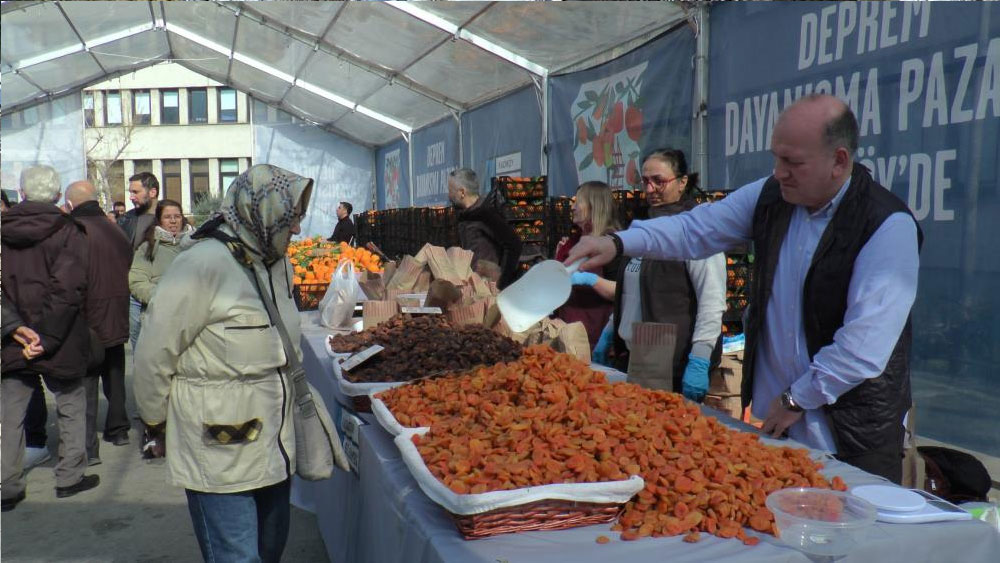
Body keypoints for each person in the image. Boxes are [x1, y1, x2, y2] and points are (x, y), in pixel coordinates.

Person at [567, 94, 921, 483]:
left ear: (839, 161)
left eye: (793, 162)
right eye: (776, 158)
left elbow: (864, 347)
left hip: (851, 438)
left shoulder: (886, 226)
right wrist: (617, 243)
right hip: (780, 426)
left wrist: (796, 398)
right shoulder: (773, 195)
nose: (780, 172)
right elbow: (695, 228)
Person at [134, 164, 314, 562]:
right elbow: (152, 355)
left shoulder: (275, 262)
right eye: (291, 218)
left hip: (274, 439)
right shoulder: (200, 265)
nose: (297, 229)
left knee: (270, 549)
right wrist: (156, 423)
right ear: (261, 212)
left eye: (298, 218)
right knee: (237, 557)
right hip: (217, 445)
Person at [1, 165, 100, 512]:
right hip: (61, 337)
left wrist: (13, 326)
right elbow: (68, 288)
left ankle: (7, 485)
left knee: (10, 414)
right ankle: (69, 477)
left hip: (13, 338)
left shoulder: (3, 230)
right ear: (58, 195)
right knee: (71, 404)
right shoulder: (69, 231)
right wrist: (46, 336)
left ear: (22, 193)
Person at [602, 149, 727, 401]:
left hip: (675, 362)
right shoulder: (643, 228)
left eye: (659, 181)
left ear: (682, 182)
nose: (650, 189)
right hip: (640, 357)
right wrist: (611, 329)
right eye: (645, 181)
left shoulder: (698, 232)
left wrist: (700, 358)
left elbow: (711, 301)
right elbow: (631, 291)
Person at [66, 181, 133, 462]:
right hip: (116, 311)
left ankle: (88, 448)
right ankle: (118, 430)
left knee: (87, 381)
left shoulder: (75, 230)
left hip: (87, 315)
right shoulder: (114, 229)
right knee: (115, 374)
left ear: (71, 205)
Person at [553, 181, 621, 349]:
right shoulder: (571, 242)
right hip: (567, 334)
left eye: (578, 202)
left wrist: (590, 280)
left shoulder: (613, 244)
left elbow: (622, 290)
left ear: (594, 206)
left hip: (597, 337)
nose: (573, 207)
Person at [448, 168, 522, 289]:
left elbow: (514, 245)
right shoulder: (465, 216)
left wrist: (501, 284)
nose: (449, 195)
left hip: (489, 289)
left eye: (451, 190)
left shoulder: (486, 214)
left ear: (462, 192)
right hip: (474, 287)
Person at [120, 172, 160, 354]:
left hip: (164, 291)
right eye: (130, 192)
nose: (131, 197)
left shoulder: (170, 217)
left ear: (152, 192)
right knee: (140, 350)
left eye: (135, 192)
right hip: (134, 295)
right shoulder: (126, 220)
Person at [128, 199, 193, 310]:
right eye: (167, 217)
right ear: (159, 220)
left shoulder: (196, 245)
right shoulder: (148, 248)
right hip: (159, 313)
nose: (173, 221)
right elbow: (137, 282)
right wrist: (163, 297)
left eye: (177, 216)